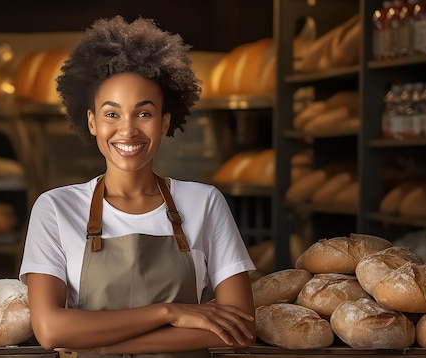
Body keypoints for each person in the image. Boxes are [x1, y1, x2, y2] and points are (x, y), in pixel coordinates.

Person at [19, 15, 256, 357]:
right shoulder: (56, 208)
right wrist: (169, 312)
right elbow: (50, 329)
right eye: (112, 114)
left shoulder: (204, 202)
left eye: (143, 114)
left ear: (164, 122)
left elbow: (239, 327)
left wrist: (97, 342)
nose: (127, 131)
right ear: (92, 122)